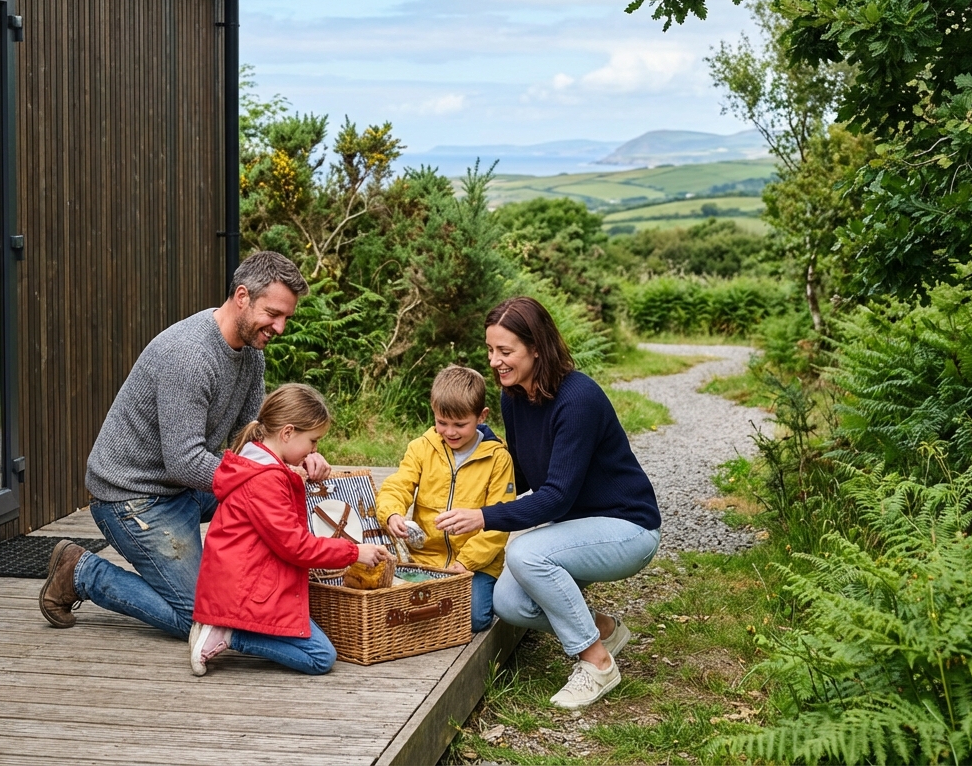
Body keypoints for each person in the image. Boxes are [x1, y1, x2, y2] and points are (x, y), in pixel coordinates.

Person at [39, 251, 328, 640]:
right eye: (272, 313)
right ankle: (81, 572)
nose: (279, 327)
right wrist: (265, 481)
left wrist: (300, 457)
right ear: (242, 296)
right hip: (135, 497)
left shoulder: (251, 355)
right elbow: (184, 461)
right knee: (205, 618)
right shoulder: (189, 356)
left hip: (188, 488)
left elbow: (250, 436)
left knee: (275, 492)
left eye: (286, 318)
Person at [435, 296, 662, 710]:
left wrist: (484, 517)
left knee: (525, 552)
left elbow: (555, 498)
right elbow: (520, 473)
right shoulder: (513, 397)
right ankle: (603, 630)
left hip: (627, 528)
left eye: (506, 351)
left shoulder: (578, 399)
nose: (495, 362)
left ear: (536, 347)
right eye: (490, 350)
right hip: (576, 531)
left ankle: (597, 664)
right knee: (509, 603)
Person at [189, 383, 391, 676]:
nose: (315, 449)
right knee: (320, 657)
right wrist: (354, 552)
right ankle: (230, 634)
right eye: (313, 441)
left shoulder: (258, 463)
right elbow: (295, 545)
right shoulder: (266, 480)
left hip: (249, 579)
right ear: (287, 433)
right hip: (250, 590)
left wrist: (295, 472)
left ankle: (226, 628)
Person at [376, 365, 516, 632]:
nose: (450, 432)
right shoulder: (421, 448)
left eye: (460, 425)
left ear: (481, 416)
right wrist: (392, 514)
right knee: (392, 608)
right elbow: (398, 485)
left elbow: (500, 522)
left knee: (474, 619)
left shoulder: (498, 458)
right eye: (442, 422)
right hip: (424, 559)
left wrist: (465, 563)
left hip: (475, 564)